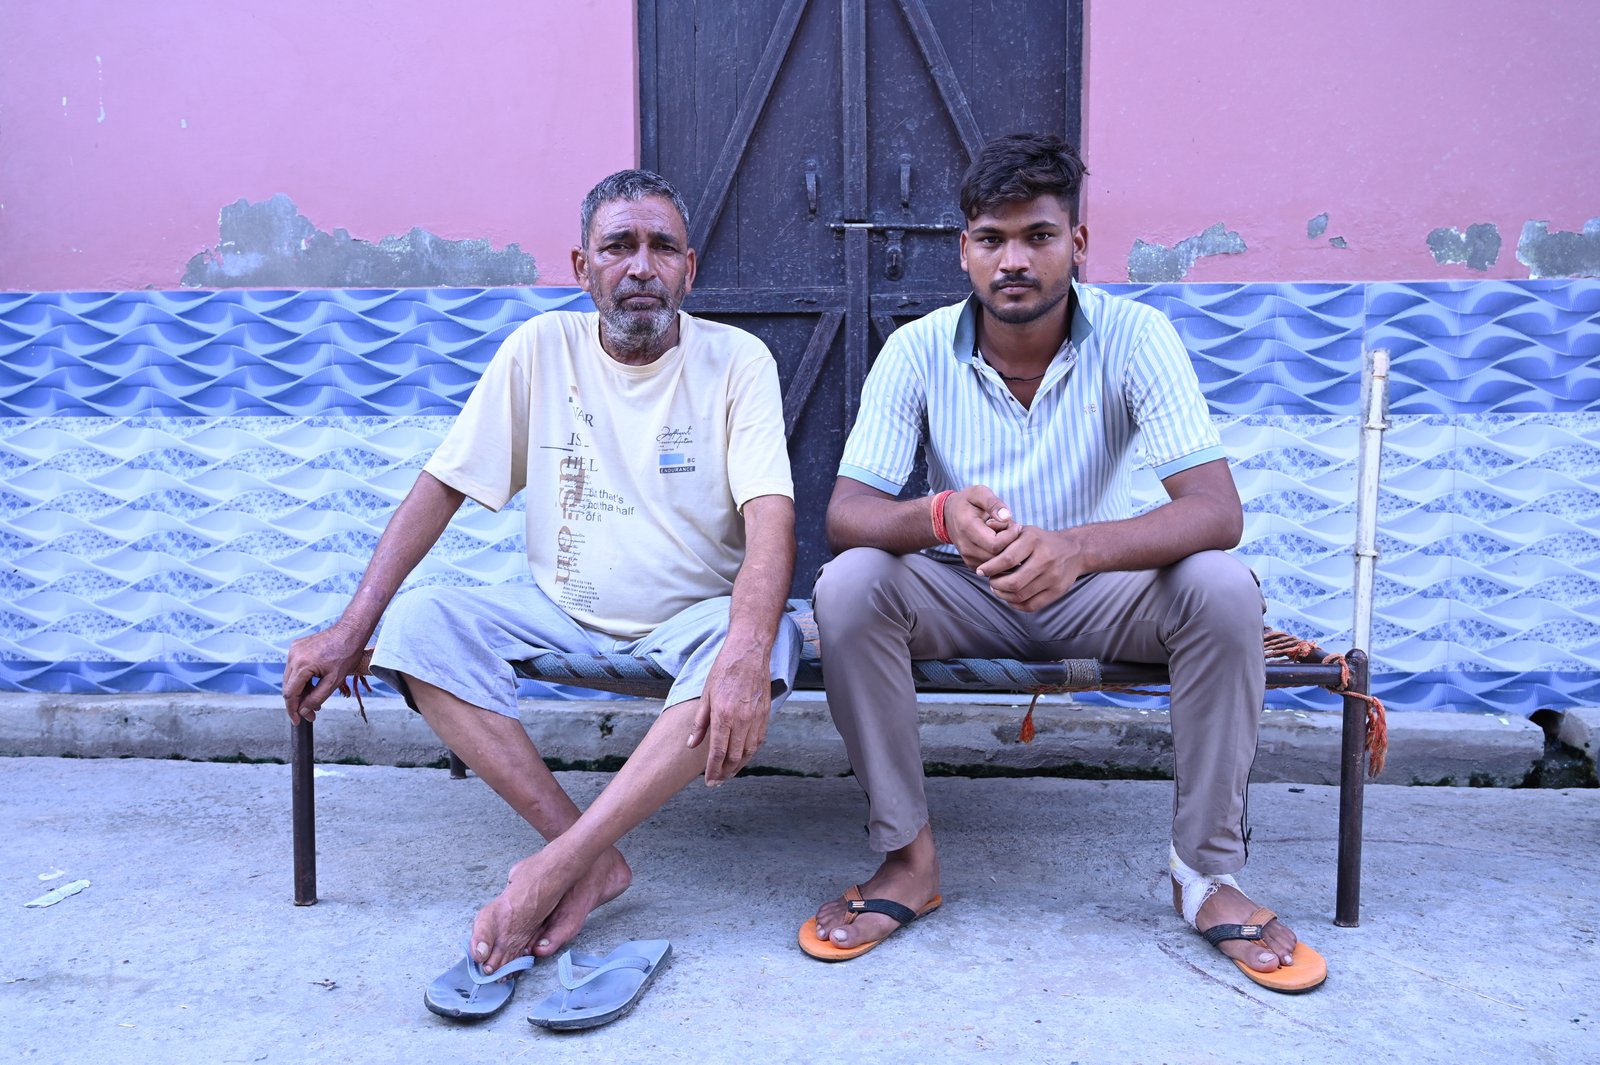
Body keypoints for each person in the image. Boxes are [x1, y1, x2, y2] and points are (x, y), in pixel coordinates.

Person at [801, 133, 1326, 993]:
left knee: (1224, 590)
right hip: (963, 589)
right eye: (992, 238)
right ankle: (908, 858)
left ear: (1077, 244)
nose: (1013, 260)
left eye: (1038, 236)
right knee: (849, 584)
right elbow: (846, 515)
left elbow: (1216, 510)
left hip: (1101, 591)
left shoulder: (1135, 335)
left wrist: (1077, 548)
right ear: (963, 249)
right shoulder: (918, 349)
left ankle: (1206, 874)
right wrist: (938, 514)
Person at [283, 169, 801, 995]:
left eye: (662, 247)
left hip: (692, 616)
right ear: (582, 267)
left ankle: (559, 863)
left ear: (690, 269)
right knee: (416, 626)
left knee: (767, 642)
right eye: (618, 246)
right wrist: (352, 625)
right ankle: (588, 859)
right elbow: (442, 486)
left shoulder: (738, 360)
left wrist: (743, 643)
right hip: (559, 608)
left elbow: (772, 518)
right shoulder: (539, 348)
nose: (641, 266)